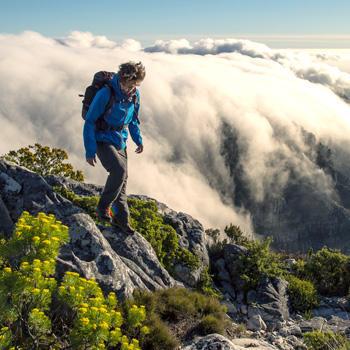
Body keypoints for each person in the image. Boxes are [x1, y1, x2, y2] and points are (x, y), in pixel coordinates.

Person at [83, 61, 145, 234]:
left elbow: (132, 119)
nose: (131, 88)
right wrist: (90, 149)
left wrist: (138, 140)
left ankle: (122, 220)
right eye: (128, 85)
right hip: (102, 138)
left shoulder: (134, 95)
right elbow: (89, 121)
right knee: (118, 171)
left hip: (120, 140)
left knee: (122, 182)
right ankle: (103, 207)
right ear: (121, 79)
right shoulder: (105, 93)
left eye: (135, 85)